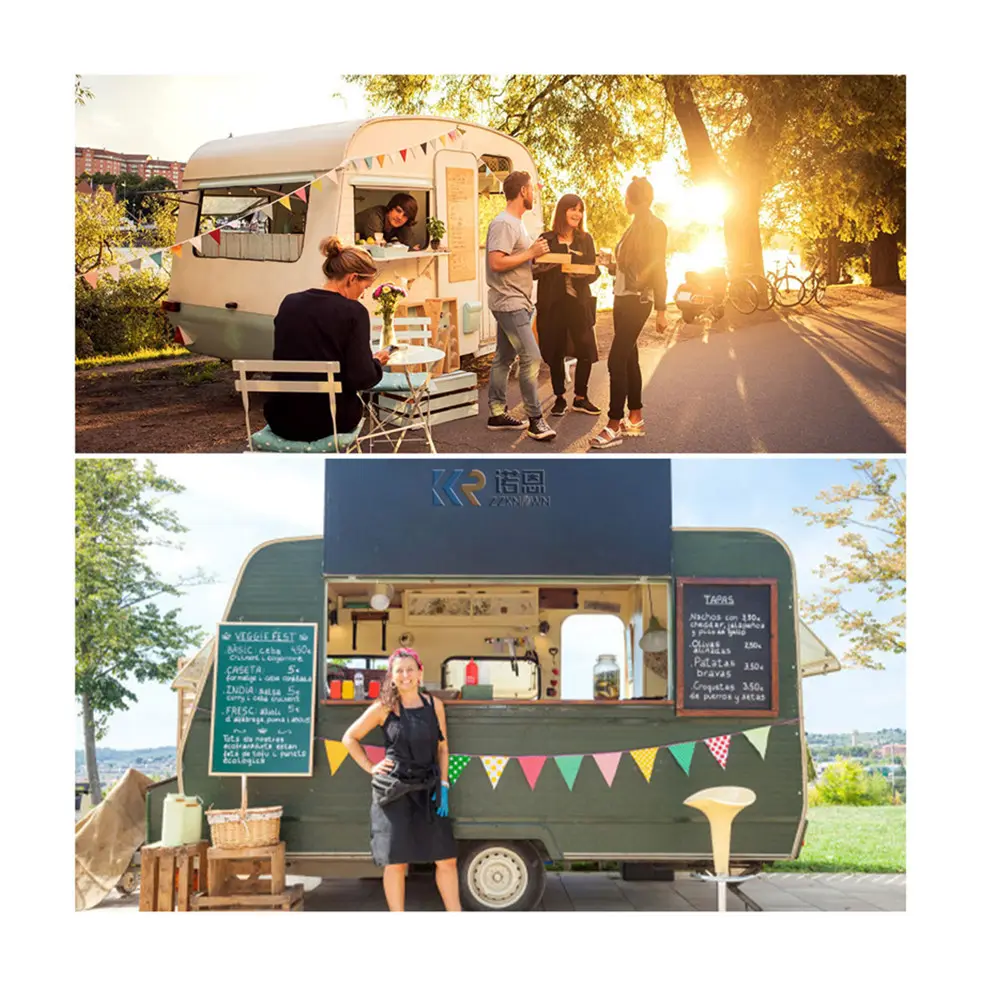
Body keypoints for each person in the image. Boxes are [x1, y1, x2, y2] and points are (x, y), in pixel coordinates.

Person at [342, 647, 461, 912]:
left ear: (420, 673)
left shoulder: (434, 705)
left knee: (446, 859)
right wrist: (371, 766)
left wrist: (444, 784)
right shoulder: (384, 708)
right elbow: (349, 738)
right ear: (392, 677)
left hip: (429, 790)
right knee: (396, 862)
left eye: (410, 669)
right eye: (399, 671)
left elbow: (442, 748)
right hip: (394, 792)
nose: (406, 675)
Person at [263, 237, 391, 442]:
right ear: (352, 278)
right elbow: (362, 378)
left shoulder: (290, 302)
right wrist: (376, 363)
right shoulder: (353, 312)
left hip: (281, 417)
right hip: (331, 419)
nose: (363, 294)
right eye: (364, 287)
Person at [589, 176, 668, 450]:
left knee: (615, 360)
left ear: (634, 200)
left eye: (626, 197)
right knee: (630, 358)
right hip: (621, 298)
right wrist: (610, 264)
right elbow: (627, 269)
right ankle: (635, 417)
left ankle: (613, 423)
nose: (624, 201)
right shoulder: (632, 228)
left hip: (639, 300)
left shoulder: (656, 227)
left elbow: (658, 268)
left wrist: (661, 308)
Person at [485, 169, 557, 441]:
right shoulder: (504, 223)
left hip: (519, 300)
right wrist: (530, 253)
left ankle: (496, 412)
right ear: (523, 191)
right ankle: (535, 420)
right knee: (531, 357)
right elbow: (496, 262)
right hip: (509, 301)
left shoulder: (518, 224)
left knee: (504, 357)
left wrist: (537, 261)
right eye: (532, 189)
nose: (534, 194)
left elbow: (517, 261)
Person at [532, 193, 602, 417]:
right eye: (573, 209)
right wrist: (555, 264)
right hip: (553, 306)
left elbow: (594, 272)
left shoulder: (585, 240)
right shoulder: (546, 239)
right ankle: (560, 397)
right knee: (555, 352)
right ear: (562, 211)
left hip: (578, 304)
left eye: (580, 210)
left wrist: (580, 272)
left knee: (586, 350)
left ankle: (581, 397)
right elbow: (533, 271)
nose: (577, 214)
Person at [355, 193, 419, 246]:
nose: (400, 217)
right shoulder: (375, 216)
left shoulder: (402, 223)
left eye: (405, 215)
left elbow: (412, 247)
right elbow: (379, 246)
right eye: (398, 211)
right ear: (390, 208)